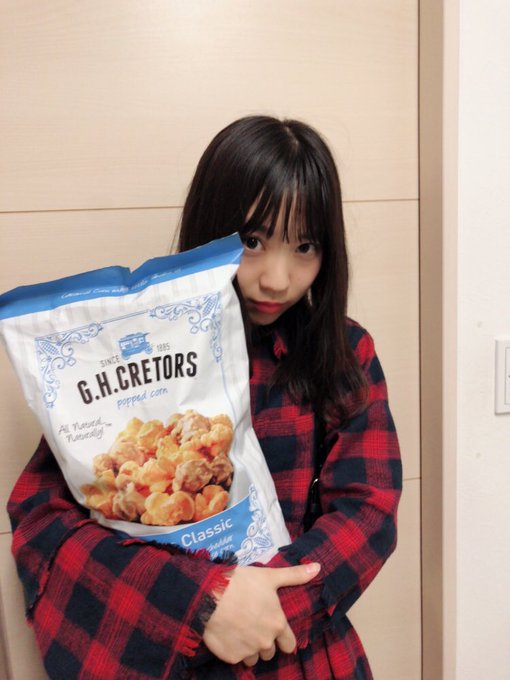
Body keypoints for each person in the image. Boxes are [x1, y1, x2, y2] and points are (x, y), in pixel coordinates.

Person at [7, 115, 402, 679]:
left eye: (305, 246)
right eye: (253, 242)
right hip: (174, 654)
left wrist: (267, 610)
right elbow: (43, 519)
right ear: (210, 225)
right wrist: (201, 604)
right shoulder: (134, 354)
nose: (277, 278)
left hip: (299, 649)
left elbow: (369, 509)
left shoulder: (344, 353)